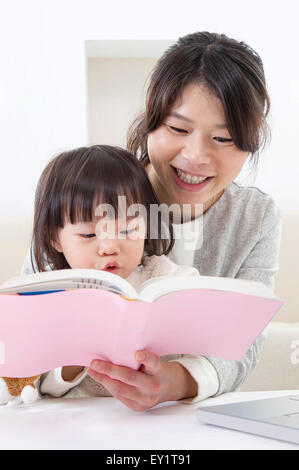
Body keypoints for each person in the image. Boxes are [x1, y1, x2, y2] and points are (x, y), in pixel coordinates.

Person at [22, 31, 282, 411]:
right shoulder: (90, 192)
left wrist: (174, 383)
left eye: (224, 138)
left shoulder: (255, 218)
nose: (195, 156)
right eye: (178, 129)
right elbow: (27, 330)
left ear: (250, 143)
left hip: (188, 420)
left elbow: (245, 343)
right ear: (151, 118)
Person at [22, 144, 201, 407]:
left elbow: (199, 302)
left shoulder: (161, 276)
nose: (109, 247)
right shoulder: (52, 292)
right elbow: (37, 384)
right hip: (80, 423)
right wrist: (77, 352)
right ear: (55, 238)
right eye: (88, 235)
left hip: (158, 419)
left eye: (128, 231)